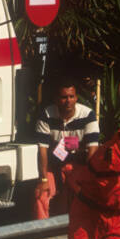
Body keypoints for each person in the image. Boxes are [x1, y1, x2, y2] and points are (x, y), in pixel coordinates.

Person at [33, 78, 100, 219]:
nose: (68, 101)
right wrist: (43, 179)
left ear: (76, 97)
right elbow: (42, 151)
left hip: (79, 165)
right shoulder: (46, 115)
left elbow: (92, 151)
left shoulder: (87, 115)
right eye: (64, 97)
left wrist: (88, 179)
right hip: (55, 164)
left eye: (71, 96)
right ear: (56, 99)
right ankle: (41, 234)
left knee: (84, 193)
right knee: (41, 194)